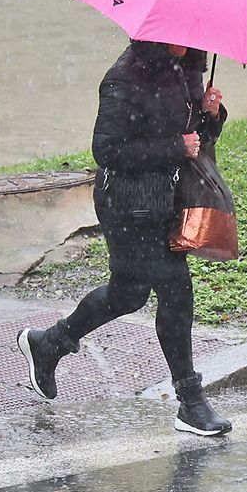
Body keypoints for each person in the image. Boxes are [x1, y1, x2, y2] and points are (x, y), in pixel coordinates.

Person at [17, 40, 232, 436]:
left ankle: (48, 345)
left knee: (128, 295)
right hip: (127, 205)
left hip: (165, 200)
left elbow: (194, 138)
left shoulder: (186, 67)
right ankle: (190, 401)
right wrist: (174, 147)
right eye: (177, 37)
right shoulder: (125, 77)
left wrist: (210, 115)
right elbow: (108, 150)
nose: (185, 44)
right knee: (176, 289)